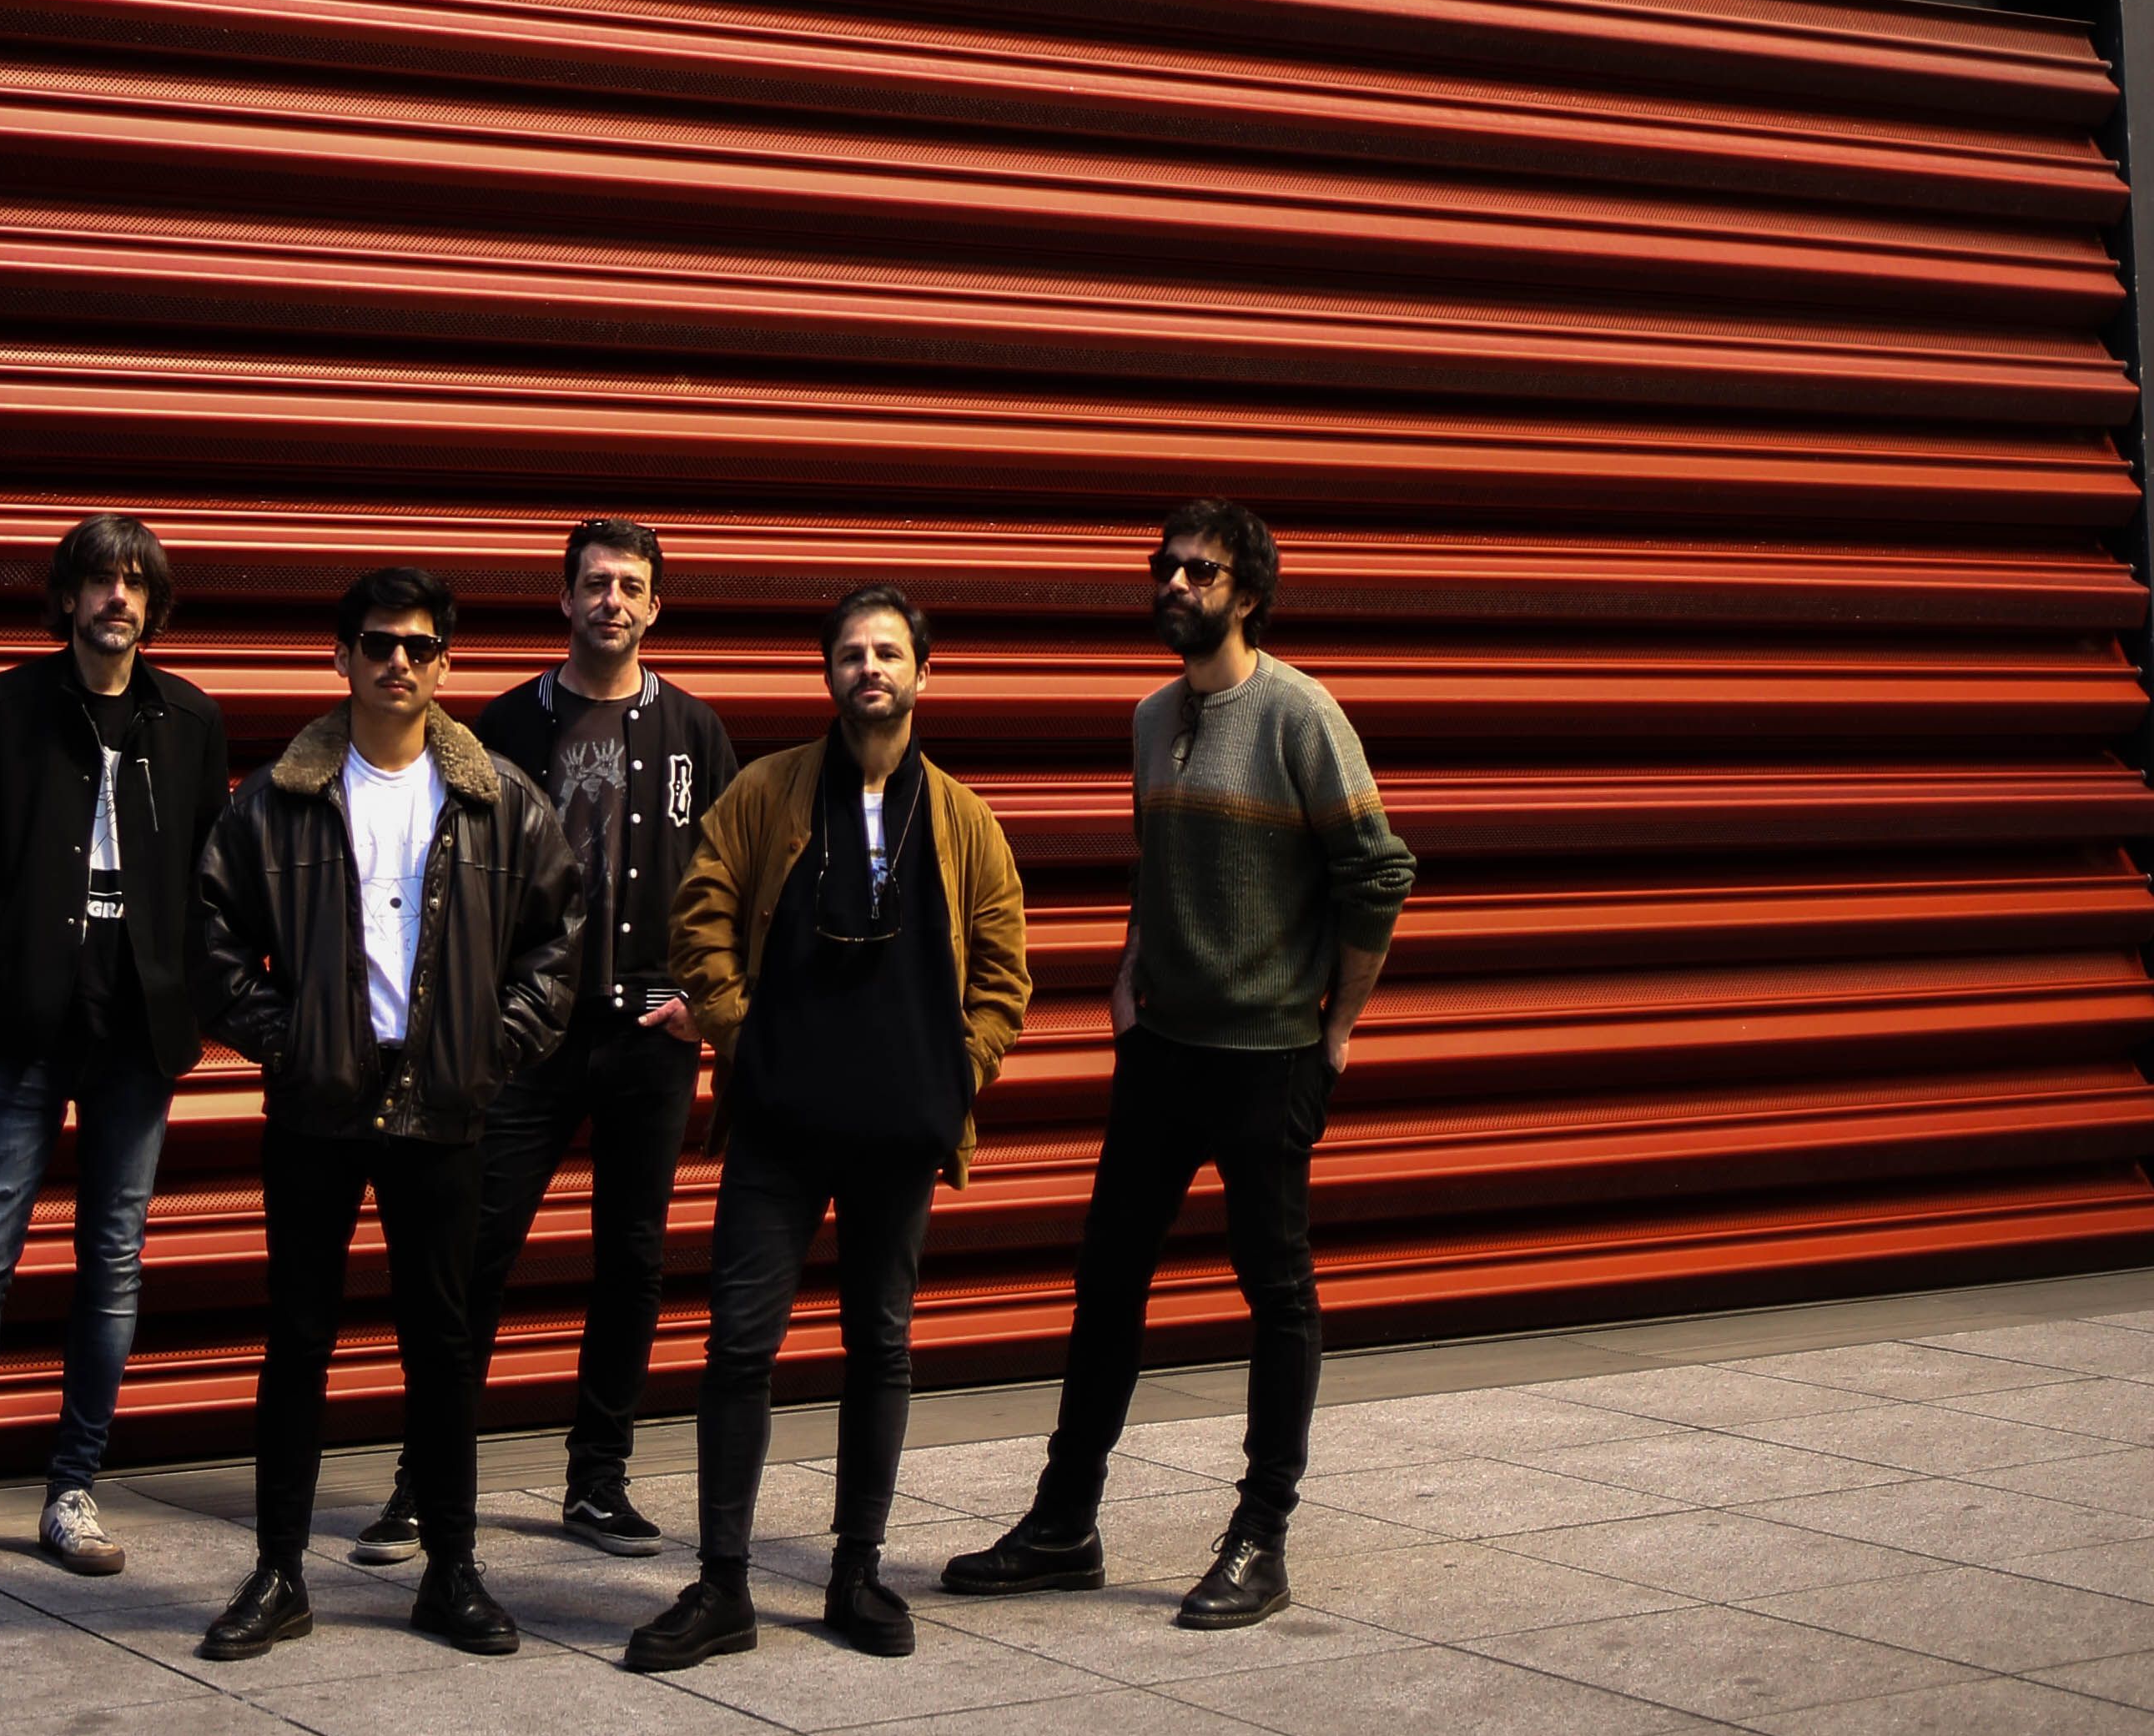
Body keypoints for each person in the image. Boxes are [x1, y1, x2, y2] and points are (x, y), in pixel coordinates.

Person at [945, 496, 1415, 1630]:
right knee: (1107, 1281)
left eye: (1199, 572)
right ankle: (1066, 1523)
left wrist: (1338, 1029)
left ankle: (1262, 1537)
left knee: (1277, 1295)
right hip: (1160, 1051)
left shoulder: (1301, 714)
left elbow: (1379, 871)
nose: (1173, 584)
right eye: (1165, 566)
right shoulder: (1153, 716)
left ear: (1247, 594)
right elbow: (1158, 858)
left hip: (1268, 1058)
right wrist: (1128, 970)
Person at [622, 584, 1029, 1671]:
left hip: (899, 1130)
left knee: (880, 1346)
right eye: (852, 654)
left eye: (888, 653)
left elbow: (1005, 973)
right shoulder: (767, 791)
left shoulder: (965, 820)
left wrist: (955, 1073)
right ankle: (722, 1585)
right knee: (738, 1346)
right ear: (830, 674)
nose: (870, 669)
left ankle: (857, 1571)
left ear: (924, 673)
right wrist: (744, 1036)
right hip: (778, 1124)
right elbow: (700, 915)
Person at [190, 561, 583, 1661]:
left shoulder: (498, 798)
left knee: (443, 1345)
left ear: (445, 664)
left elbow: (561, 936)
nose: (398, 662)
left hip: (443, 1100)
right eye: (377, 643)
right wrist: (291, 1040)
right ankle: (279, 1574)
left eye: (419, 646)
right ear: (342, 657)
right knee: (298, 1339)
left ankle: (452, 1572)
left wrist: (494, 1045)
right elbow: (211, 935)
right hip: (318, 1101)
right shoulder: (279, 798)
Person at [350, 516, 738, 1567]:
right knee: (473, 1254)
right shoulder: (504, 725)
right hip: (527, 1033)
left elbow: (730, 879)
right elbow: (450, 870)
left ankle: (597, 1481)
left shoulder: (695, 731)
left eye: (631, 586)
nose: (613, 600)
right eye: (595, 583)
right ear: (564, 599)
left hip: (649, 1032)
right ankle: (427, 1481)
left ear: (655, 607)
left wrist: (704, 1001)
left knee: (633, 1259)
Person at [0, 511, 228, 1591]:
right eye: (99, 580)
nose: (117, 598)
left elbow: (212, 877)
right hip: (26, 1025)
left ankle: (72, 1491)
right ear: (69, 597)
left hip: (137, 1034)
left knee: (112, 1265)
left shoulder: (190, 719)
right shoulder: (2, 708)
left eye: (135, 583)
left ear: (152, 604)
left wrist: (191, 983)